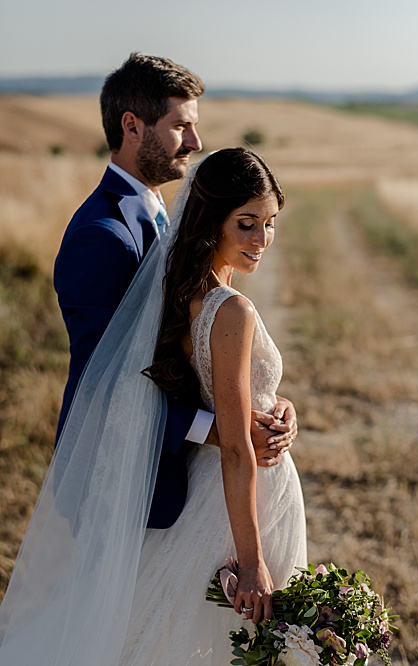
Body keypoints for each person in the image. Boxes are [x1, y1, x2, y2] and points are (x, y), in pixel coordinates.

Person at [0, 149, 308, 664]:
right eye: (246, 224)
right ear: (212, 221)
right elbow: (235, 448)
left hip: (213, 485)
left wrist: (277, 405)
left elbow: (222, 390)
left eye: (270, 223)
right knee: (221, 636)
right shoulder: (232, 309)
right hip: (236, 498)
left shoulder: (187, 292)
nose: (261, 240)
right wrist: (251, 562)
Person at [52, 53, 295, 530]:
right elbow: (106, 382)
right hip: (118, 475)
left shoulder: (165, 212)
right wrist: (227, 428)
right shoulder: (101, 236)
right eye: (181, 126)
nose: (196, 142)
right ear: (133, 126)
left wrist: (265, 408)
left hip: (180, 470)